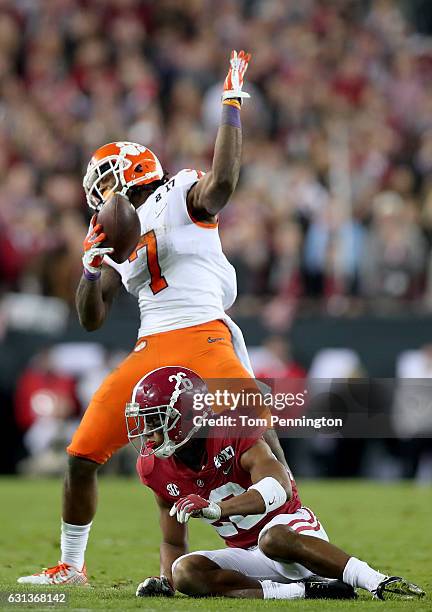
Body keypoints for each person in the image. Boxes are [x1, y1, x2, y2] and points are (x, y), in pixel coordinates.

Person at [18, 50, 287, 585]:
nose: (99, 193)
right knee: (80, 454)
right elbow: (91, 319)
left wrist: (230, 104)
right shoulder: (118, 233)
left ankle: (296, 537)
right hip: (151, 346)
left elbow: (224, 186)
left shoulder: (177, 193)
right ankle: (71, 566)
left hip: (205, 333)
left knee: (261, 436)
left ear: (126, 173)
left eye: (105, 179)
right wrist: (92, 268)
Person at [129, 366, 425, 602]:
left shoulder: (232, 430)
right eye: (145, 422)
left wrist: (216, 509)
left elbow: (277, 486)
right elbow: (172, 541)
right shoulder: (154, 467)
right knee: (186, 572)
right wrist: (165, 581)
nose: (148, 432)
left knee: (272, 538)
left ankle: (376, 581)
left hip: (292, 533)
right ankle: (306, 593)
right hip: (248, 555)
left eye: (156, 421)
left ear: (188, 415)